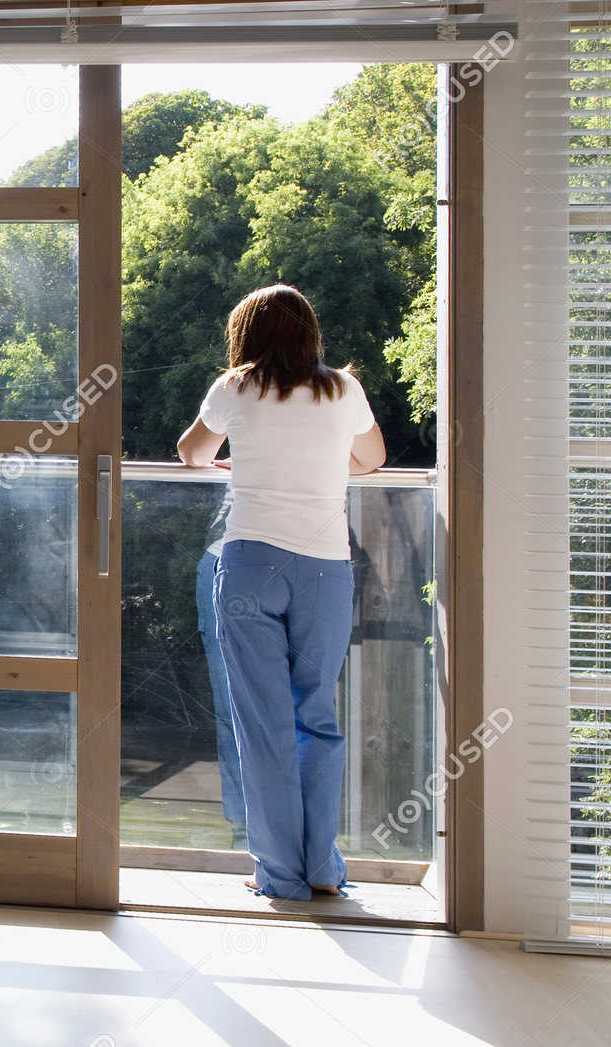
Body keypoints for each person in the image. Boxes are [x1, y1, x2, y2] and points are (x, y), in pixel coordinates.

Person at [175, 284, 386, 901]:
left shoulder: (234, 387)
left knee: (262, 723)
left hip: (250, 565)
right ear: (310, 334)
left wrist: (241, 462)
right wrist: (319, 462)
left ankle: (279, 876)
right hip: (325, 568)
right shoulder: (342, 389)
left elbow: (192, 453)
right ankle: (322, 868)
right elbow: (370, 459)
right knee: (315, 717)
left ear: (247, 336)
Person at [195, 489, 248, 851]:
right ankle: (244, 826)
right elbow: (192, 454)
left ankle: (291, 831)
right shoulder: (237, 430)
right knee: (231, 707)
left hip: (300, 563)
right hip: (222, 561)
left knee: (295, 703)